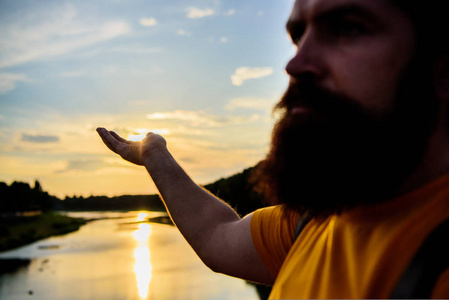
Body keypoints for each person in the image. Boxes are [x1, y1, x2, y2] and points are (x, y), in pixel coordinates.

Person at [97, 0, 449, 298]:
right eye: (299, 37)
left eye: (347, 28)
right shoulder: (315, 219)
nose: (294, 64)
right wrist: (153, 155)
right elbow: (215, 235)